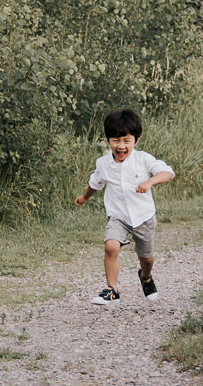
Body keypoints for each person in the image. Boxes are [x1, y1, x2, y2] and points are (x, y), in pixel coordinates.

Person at [74, 108, 174, 305]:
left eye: (126, 141)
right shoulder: (103, 164)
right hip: (118, 216)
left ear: (135, 141)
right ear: (108, 140)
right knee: (111, 246)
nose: (121, 146)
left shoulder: (143, 159)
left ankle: (145, 277)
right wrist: (85, 197)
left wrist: (149, 183)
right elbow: (95, 184)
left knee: (147, 259)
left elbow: (167, 172)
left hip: (143, 216)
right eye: (115, 141)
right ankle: (112, 290)